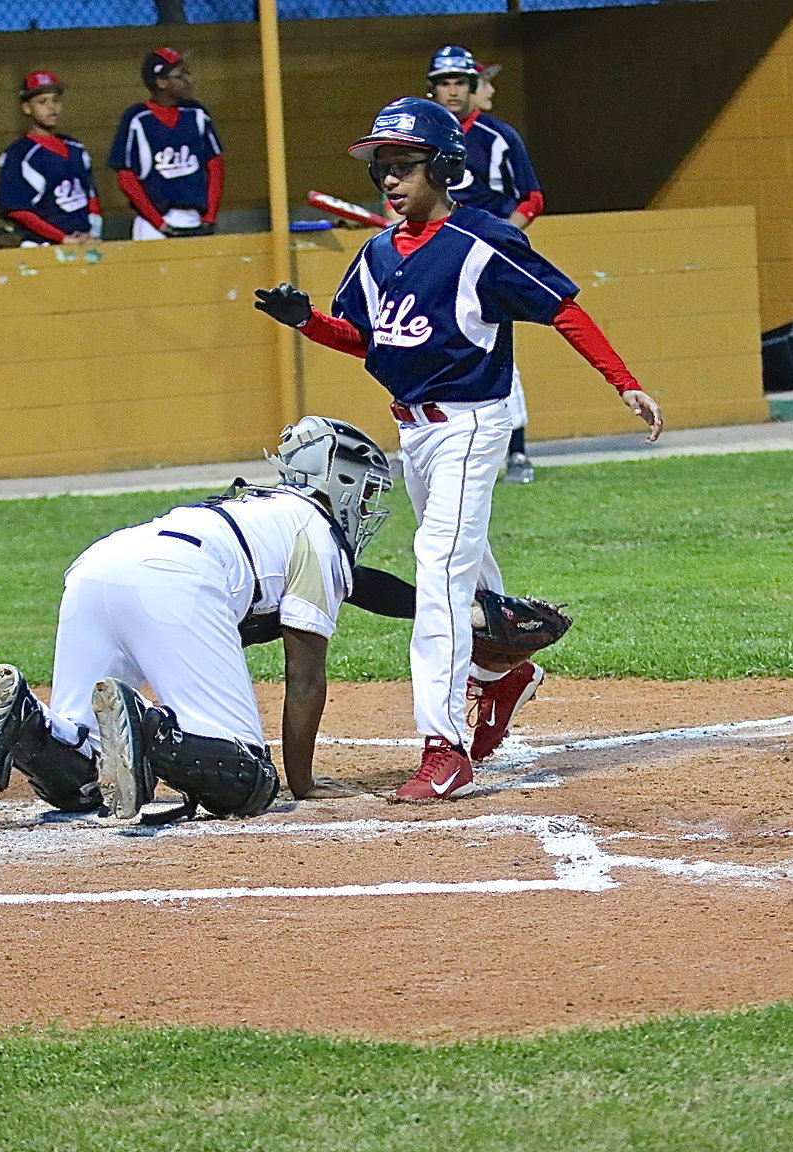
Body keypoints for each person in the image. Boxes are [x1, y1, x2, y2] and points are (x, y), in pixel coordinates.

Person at [254, 98, 663, 802]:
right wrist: (308, 322)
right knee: (465, 575)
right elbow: (365, 341)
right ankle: (505, 676)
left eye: (404, 165)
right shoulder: (378, 252)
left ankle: (444, 747)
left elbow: (561, 305)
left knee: (438, 572)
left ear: (444, 166)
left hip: (472, 424)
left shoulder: (484, 240)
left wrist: (623, 382)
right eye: (382, 167)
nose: (388, 179)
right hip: (411, 431)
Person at [0, 416, 392, 821]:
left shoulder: (263, 508)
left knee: (85, 778)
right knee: (247, 782)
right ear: (343, 481)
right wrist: (304, 782)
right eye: (367, 491)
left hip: (97, 565)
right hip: (176, 577)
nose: (369, 506)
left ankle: (28, 722)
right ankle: (147, 725)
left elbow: (371, 589)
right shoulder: (318, 533)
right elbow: (305, 678)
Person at [427, 46, 545, 484]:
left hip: (488, 258)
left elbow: (531, 199)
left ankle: (516, 451)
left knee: (496, 347)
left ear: (472, 87)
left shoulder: (499, 136)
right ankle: (432, 444)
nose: (453, 90)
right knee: (430, 343)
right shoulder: (421, 138)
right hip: (435, 260)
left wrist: (501, 239)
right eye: (444, 82)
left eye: (460, 81)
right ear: (432, 89)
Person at [108, 48, 222, 240]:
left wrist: (210, 216)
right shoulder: (137, 118)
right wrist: (158, 222)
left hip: (195, 218)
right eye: (180, 75)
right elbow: (126, 178)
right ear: (161, 82)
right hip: (154, 223)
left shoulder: (196, 113)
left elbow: (215, 165)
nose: (188, 80)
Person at [0, 70, 101, 245]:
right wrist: (62, 238)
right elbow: (17, 210)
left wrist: (95, 232)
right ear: (27, 107)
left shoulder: (75, 147)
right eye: (42, 102)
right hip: (40, 244)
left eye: (55, 100)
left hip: (83, 240)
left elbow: (90, 195)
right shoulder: (18, 154)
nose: (52, 107)